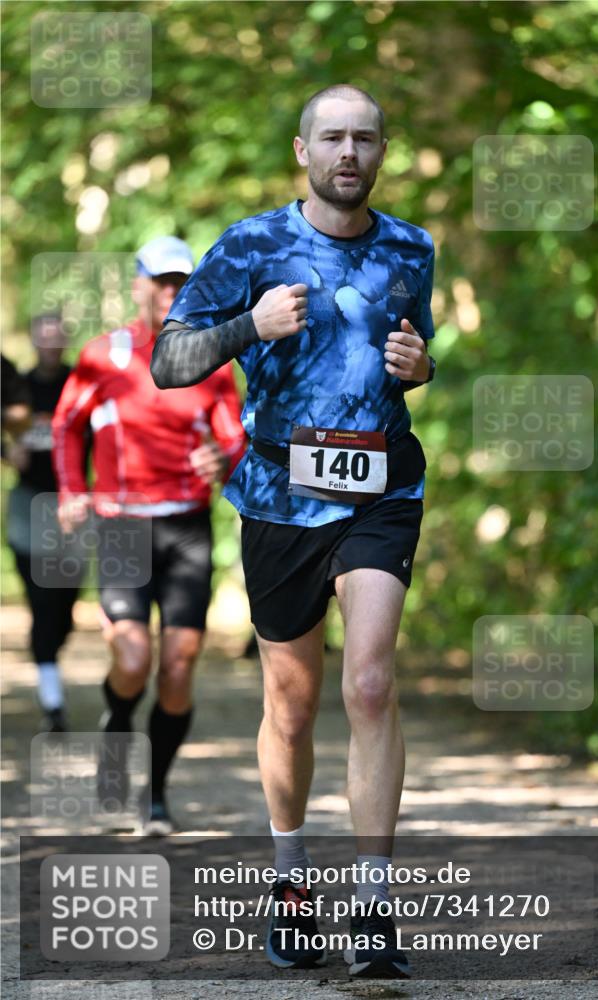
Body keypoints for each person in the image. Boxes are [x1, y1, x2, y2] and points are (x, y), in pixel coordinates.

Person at [151, 86, 436, 977]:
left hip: (381, 485)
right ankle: (289, 884)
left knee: (370, 682)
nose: (347, 152)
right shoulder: (250, 244)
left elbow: (412, 354)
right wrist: (249, 324)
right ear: (302, 150)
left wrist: (422, 366)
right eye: (332, 138)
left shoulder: (413, 248)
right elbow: (169, 362)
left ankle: (375, 910)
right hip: (278, 494)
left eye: (363, 139)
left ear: (381, 151)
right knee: (293, 703)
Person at [52, 236, 246, 835]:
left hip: (186, 526)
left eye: (180, 281)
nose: (169, 292)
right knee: (133, 658)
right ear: (138, 285)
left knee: (180, 668)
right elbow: (65, 425)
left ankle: (156, 795)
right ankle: (117, 730)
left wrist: (226, 458)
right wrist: (70, 489)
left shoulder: (208, 357)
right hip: (122, 526)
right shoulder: (103, 355)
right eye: (159, 281)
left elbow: (234, 435)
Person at [4, 317, 84, 732]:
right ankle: (52, 699)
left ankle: (49, 648)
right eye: (44, 339)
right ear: (34, 341)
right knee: (41, 599)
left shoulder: (80, 383)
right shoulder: (17, 386)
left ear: (65, 342)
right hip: (27, 504)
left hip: (70, 507)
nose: (51, 347)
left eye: (58, 340)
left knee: (63, 608)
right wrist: (7, 451)